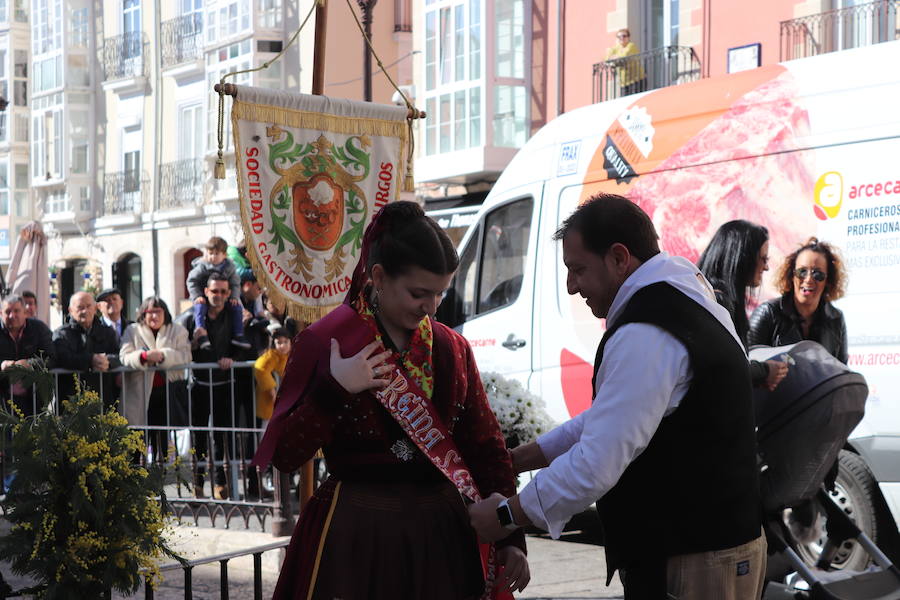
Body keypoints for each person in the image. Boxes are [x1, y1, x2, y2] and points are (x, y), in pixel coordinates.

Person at [468, 194, 765, 599]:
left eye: (578, 270)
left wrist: (506, 516)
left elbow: (595, 464)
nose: (572, 286)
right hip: (715, 544)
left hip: (693, 555)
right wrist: (522, 458)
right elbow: (615, 416)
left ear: (620, 258)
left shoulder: (646, 331)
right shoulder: (686, 291)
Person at [252, 201, 529, 600]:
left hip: (441, 536)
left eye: (440, 293)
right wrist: (335, 389)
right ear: (378, 277)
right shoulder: (327, 342)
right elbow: (286, 454)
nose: (431, 307)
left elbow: (486, 446)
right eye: (418, 293)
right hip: (355, 535)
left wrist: (510, 536)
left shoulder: (452, 348)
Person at [176, 272, 254, 500]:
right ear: (206, 292)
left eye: (222, 291)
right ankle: (198, 483)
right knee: (198, 436)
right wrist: (194, 341)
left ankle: (221, 483)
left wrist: (233, 359)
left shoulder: (234, 314)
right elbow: (184, 348)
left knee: (222, 438)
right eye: (214, 291)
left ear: (229, 293)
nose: (218, 295)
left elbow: (244, 347)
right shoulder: (192, 316)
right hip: (199, 384)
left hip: (224, 385)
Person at [697, 220, 789, 391]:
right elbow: (724, 370)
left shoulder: (713, 297)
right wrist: (765, 370)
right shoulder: (719, 302)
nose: (766, 267)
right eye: (763, 259)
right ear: (741, 258)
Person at [748, 237, 848, 363]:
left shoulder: (836, 319)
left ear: (828, 281)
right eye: (802, 271)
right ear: (792, 275)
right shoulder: (767, 313)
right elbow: (747, 367)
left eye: (818, 274)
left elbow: (841, 372)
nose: (808, 279)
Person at [119, 297, 191, 461]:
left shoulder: (177, 331)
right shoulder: (132, 330)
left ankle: (161, 476)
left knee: (163, 439)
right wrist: (144, 357)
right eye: (149, 312)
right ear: (143, 314)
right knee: (137, 438)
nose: (154, 316)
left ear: (164, 312)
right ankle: (136, 475)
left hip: (166, 393)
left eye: (158, 311)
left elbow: (186, 356)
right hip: (139, 393)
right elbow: (124, 356)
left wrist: (164, 356)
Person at [53, 292, 122, 409]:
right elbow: (62, 357)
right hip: (70, 399)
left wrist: (107, 361)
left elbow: (119, 355)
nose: (85, 311)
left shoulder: (107, 332)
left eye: (89, 306)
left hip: (102, 398)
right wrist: (90, 360)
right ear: (70, 310)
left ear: (95, 308)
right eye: (80, 307)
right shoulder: (61, 333)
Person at [186, 236, 251, 351]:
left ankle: (239, 334)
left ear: (224, 255)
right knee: (200, 308)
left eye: (216, 254)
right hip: (203, 296)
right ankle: (201, 332)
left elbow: (235, 282)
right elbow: (192, 280)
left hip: (227, 297)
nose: (213, 257)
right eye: (210, 253)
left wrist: (234, 297)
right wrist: (197, 296)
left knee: (236, 308)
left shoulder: (229, 267)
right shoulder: (203, 266)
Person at [0, 294, 54, 415]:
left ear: (25, 312)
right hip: (3, 396)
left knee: (33, 431)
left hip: (34, 396)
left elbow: (51, 357)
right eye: (7, 311)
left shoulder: (39, 329)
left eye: (17, 311)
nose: (12, 315)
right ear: (0, 313)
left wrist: (29, 364)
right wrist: (2, 364)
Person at [253, 327, 291, 427]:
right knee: (267, 430)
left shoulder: (291, 355)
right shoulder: (270, 356)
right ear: (274, 343)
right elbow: (260, 368)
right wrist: (271, 389)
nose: (283, 346)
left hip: (286, 402)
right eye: (279, 342)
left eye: (286, 342)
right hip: (270, 403)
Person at [605, 28, 646, 96]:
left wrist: (615, 57)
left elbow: (624, 55)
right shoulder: (616, 48)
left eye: (624, 36)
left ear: (628, 37)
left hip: (637, 80)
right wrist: (613, 58)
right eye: (619, 37)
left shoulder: (631, 46)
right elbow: (607, 57)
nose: (622, 38)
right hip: (624, 83)